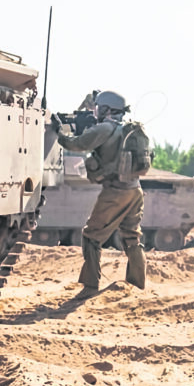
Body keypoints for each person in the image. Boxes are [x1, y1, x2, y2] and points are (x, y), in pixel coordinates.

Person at [52, 90, 146, 290]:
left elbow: (75, 144)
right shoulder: (129, 129)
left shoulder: (104, 128)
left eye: (98, 108)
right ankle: (137, 284)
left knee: (91, 236)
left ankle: (90, 284)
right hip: (135, 190)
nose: (95, 111)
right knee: (132, 238)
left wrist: (58, 132)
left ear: (106, 109)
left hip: (115, 192)